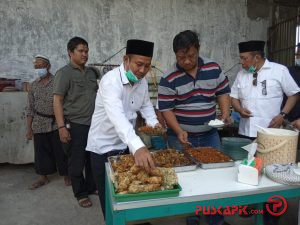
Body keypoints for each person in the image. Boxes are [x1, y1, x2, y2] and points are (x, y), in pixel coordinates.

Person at [158, 30, 231, 225]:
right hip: (180, 136)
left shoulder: (214, 68)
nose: (187, 61)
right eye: (181, 57)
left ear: (198, 50)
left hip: (210, 135)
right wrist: (179, 130)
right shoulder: (169, 77)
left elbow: (223, 92)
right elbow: (166, 109)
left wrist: (225, 113)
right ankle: (192, 216)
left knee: (215, 178)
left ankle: (216, 219)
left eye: (191, 56)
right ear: (175, 55)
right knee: (186, 179)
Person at [86, 39, 161, 220]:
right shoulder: (110, 81)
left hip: (125, 145)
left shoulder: (141, 82)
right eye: (139, 64)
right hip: (102, 147)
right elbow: (117, 119)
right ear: (126, 59)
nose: (143, 71)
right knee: (110, 197)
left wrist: (154, 123)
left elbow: (145, 106)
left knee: (129, 190)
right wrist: (139, 146)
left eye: (147, 66)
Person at [53, 37, 100, 208]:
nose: (85, 54)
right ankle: (80, 193)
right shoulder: (64, 73)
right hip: (75, 124)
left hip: (93, 124)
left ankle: (91, 186)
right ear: (70, 52)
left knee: (91, 158)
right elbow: (57, 100)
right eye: (81, 51)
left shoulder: (91, 73)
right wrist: (61, 127)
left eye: (86, 51)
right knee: (77, 160)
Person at [231, 40, 300, 139]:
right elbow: (234, 97)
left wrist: (282, 115)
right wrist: (240, 110)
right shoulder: (241, 74)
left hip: (270, 131)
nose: (241, 62)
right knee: (246, 154)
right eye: (240, 58)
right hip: (245, 131)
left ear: (257, 58)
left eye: (244, 58)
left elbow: (293, 95)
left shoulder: (279, 71)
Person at [26, 55, 69, 190]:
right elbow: (30, 108)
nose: (38, 69)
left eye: (41, 66)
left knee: (61, 150)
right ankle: (43, 177)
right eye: (36, 67)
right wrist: (29, 128)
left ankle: (66, 174)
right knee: (40, 152)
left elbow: (64, 102)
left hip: (56, 122)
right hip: (39, 122)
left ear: (48, 67)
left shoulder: (57, 82)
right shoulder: (33, 86)